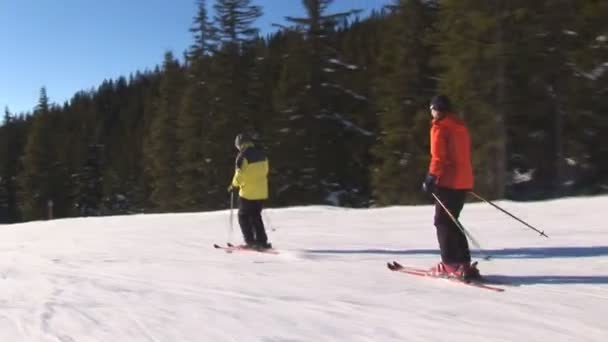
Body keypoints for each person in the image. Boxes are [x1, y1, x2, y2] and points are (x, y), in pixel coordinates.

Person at [422, 95, 480, 280]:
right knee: (452, 220)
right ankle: (463, 262)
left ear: (436, 109)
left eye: (432, 109)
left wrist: (431, 178)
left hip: (449, 182)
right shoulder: (460, 126)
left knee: (442, 222)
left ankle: (449, 264)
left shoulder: (439, 128)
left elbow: (439, 157)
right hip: (464, 181)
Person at [228, 132, 272, 249]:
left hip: (248, 193)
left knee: (243, 216)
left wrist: (233, 185)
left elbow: (239, 174)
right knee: (256, 216)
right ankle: (262, 241)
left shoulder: (242, 156)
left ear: (239, 144)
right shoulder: (262, 153)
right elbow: (266, 170)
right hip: (261, 191)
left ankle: (250, 241)